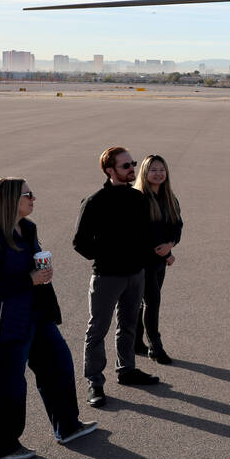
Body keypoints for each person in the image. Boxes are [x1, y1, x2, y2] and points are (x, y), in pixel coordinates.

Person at [0, 178, 98, 459]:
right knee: (7, 383)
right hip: (7, 323)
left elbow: (30, 271)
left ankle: (68, 426)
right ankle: (0, 446)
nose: (33, 198)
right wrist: (28, 279)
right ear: (11, 200)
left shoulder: (26, 230)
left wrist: (41, 273)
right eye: (28, 194)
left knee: (59, 366)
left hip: (37, 315)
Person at [73, 147, 161, 407]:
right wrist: (109, 254)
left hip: (136, 274)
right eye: (125, 166)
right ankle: (95, 382)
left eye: (132, 164)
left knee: (129, 324)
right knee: (97, 329)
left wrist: (144, 257)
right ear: (109, 171)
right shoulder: (95, 201)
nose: (132, 169)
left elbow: (146, 234)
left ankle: (127, 370)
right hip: (107, 276)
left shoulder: (139, 199)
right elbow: (80, 243)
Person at [133, 154, 182, 365]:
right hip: (142, 261)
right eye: (153, 169)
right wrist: (167, 253)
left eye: (162, 169)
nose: (158, 173)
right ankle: (155, 346)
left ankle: (136, 342)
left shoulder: (169, 198)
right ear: (144, 172)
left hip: (160, 261)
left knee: (146, 303)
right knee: (152, 301)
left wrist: (170, 245)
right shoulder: (139, 198)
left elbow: (177, 226)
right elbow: (142, 233)